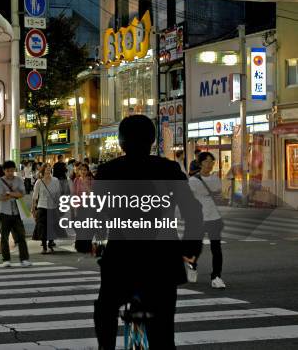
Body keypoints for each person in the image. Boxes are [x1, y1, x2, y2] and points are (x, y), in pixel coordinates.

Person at [90, 115, 204, 349]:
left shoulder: (108, 171)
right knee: (163, 330)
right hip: (162, 260)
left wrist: (84, 241)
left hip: (121, 258)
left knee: (106, 308)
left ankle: (105, 347)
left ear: (121, 143)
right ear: (152, 141)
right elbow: (193, 212)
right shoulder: (170, 169)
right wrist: (191, 246)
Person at [188, 152, 226, 289]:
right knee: (195, 247)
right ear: (200, 163)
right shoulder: (193, 181)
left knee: (216, 248)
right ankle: (192, 266)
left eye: (212, 162)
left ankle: (216, 277)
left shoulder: (216, 179)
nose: (209, 164)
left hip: (214, 217)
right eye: (206, 161)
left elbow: (220, 196)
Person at [0, 160, 31, 268]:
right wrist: (15, 194)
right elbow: (0, 197)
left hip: (17, 213)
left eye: (12, 170)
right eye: (7, 171)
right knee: (4, 237)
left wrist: (9, 193)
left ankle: (24, 259)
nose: (10, 173)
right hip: (4, 213)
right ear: (4, 171)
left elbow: (22, 193)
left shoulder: (19, 180)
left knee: (21, 235)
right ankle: (6, 259)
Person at [31, 163, 60, 254]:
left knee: (52, 226)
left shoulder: (55, 180)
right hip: (42, 206)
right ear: (43, 170)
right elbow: (34, 196)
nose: (48, 170)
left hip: (53, 206)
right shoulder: (39, 182)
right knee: (42, 227)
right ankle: (44, 246)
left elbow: (58, 193)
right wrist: (33, 208)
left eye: (49, 168)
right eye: (46, 168)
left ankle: (50, 244)